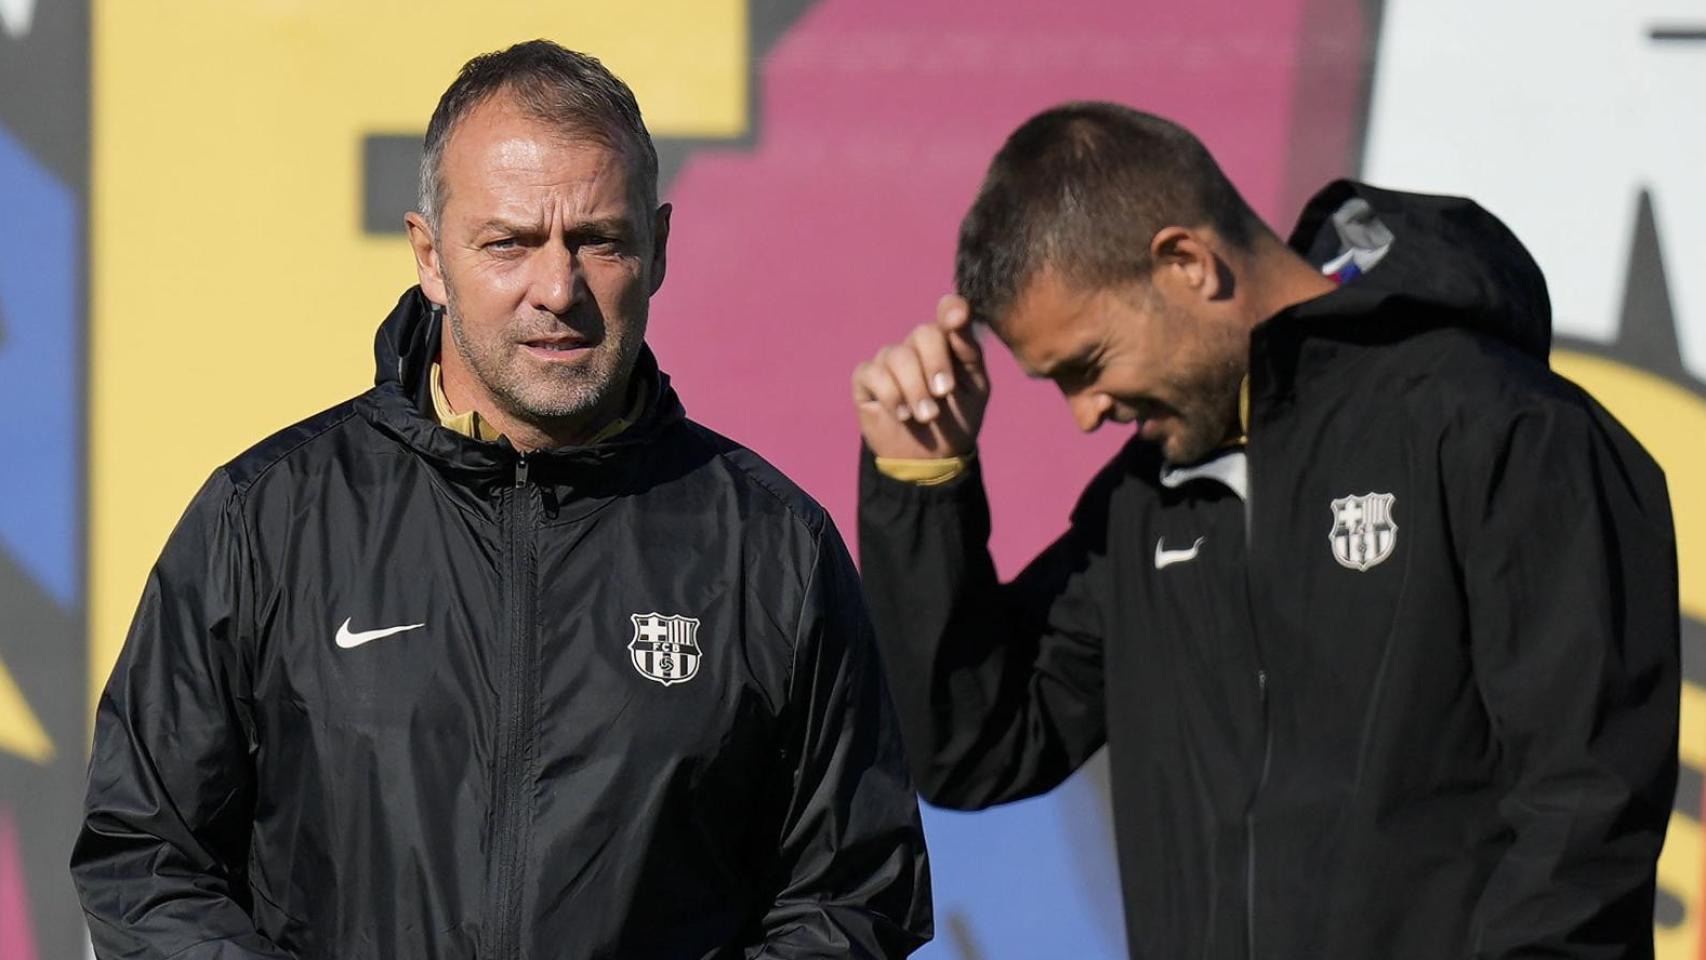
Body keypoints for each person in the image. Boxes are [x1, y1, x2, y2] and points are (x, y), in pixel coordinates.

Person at [73, 40, 930, 960]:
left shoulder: (775, 550)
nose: (556, 289)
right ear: (430, 257)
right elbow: (144, 858)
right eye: (509, 243)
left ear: (660, 247)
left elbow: (852, 895)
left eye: (598, 241)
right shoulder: (266, 520)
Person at [851, 102, 1677, 959]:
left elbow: (1586, 815)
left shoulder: (1500, 430)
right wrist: (923, 481)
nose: (1086, 414)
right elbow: (977, 746)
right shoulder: (1148, 504)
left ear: (1189, 263)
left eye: (1086, 367)